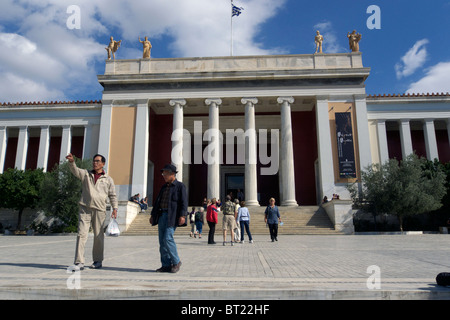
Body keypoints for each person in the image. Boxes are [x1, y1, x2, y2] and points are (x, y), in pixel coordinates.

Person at [66, 153, 118, 271]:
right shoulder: (86, 174)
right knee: (81, 234)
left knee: (98, 236)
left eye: (98, 161)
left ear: (103, 164)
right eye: (94, 161)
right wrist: (71, 162)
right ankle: (79, 262)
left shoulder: (108, 179)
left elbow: (112, 195)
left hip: (100, 209)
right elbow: (75, 170)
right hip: (85, 208)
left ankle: (98, 260)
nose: (95, 163)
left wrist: (115, 208)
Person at [150, 164, 187, 273]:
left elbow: (184, 202)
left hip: (172, 216)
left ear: (172, 174)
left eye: (165, 173)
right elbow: (157, 202)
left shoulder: (180, 186)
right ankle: (166, 265)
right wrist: (153, 215)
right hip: (162, 215)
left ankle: (176, 262)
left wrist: (183, 215)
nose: (163, 176)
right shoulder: (164, 187)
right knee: (162, 241)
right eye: (163, 173)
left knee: (167, 238)